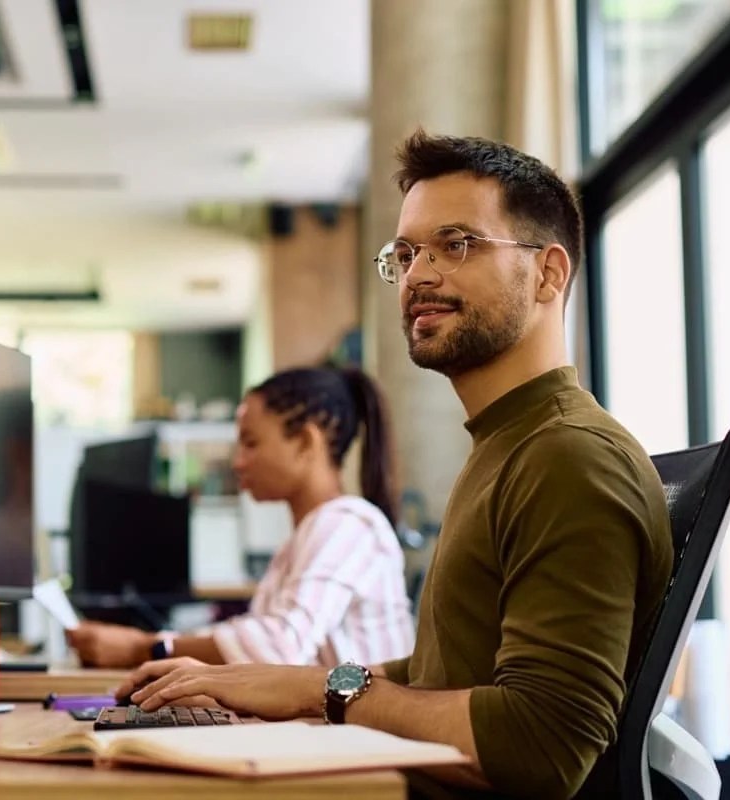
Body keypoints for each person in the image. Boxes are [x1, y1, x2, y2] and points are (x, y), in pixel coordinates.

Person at [116, 132, 675, 800]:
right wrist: (282, 690)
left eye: (457, 244)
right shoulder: (508, 445)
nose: (419, 275)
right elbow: (443, 674)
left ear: (549, 274)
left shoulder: (568, 456)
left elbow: (541, 743)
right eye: (406, 254)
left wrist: (316, 688)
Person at [66, 366, 415, 669]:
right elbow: (260, 640)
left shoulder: (348, 524)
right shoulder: (307, 537)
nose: (237, 462)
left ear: (306, 442)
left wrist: (144, 648)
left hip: (360, 739)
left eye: (250, 443)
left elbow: (278, 646)